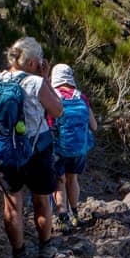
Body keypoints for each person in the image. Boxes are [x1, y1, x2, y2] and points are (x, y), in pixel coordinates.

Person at [0, 37, 63, 258]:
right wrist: (45, 78)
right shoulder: (34, 83)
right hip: (35, 149)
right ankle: (45, 249)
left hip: (3, 150)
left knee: (12, 205)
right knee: (41, 201)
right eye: (39, 61)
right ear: (31, 62)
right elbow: (57, 110)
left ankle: (18, 255)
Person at [49, 63, 97, 232]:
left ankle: (63, 218)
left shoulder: (52, 96)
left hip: (57, 149)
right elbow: (94, 126)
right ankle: (75, 214)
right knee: (73, 178)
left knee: (59, 180)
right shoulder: (81, 97)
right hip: (78, 149)